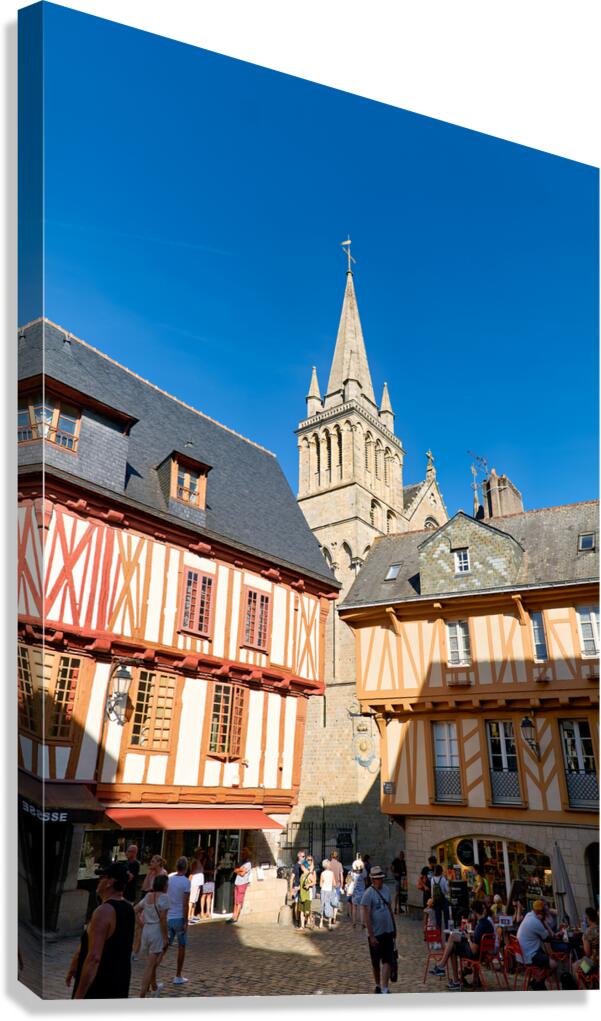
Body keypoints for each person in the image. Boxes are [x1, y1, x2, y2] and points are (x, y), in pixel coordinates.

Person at [69, 862, 135, 999]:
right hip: (118, 984)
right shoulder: (128, 909)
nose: (99, 882)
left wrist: (78, 996)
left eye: (102, 877)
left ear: (110, 882)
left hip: (99, 986)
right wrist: (75, 961)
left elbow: (94, 958)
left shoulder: (104, 911)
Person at [431, 899, 495, 990]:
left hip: (476, 954)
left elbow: (474, 950)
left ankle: (445, 969)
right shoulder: (487, 923)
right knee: (453, 943)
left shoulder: (480, 926)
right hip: (484, 952)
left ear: (474, 911)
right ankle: (448, 973)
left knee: (452, 942)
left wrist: (468, 938)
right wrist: (470, 936)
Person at [361, 865, 395, 995]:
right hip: (376, 933)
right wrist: (372, 935)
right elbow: (367, 917)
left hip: (388, 931)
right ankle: (377, 985)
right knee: (376, 962)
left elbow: (390, 909)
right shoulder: (367, 894)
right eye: (378, 879)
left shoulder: (386, 890)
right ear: (373, 880)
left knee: (388, 959)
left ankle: (385, 988)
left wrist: (394, 927)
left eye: (381, 878)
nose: (381, 881)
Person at [134, 874, 169, 997]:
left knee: (151, 962)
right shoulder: (164, 897)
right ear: (164, 885)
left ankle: (154, 987)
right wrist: (165, 937)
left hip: (146, 930)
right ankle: (143, 993)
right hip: (156, 931)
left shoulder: (148, 896)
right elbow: (163, 919)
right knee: (151, 965)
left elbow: (135, 910)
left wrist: (141, 923)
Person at [515, 899, 559, 986]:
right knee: (554, 965)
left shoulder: (528, 915)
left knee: (546, 957)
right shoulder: (535, 922)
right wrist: (543, 922)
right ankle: (538, 982)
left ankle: (539, 981)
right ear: (540, 912)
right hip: (530, 955)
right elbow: (548, 937)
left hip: (522, 954)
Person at [167, 856, 191, 985]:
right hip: (179, 917)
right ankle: (178, 975)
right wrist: (186, 921)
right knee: (181, 946)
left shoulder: (169, 879)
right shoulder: (186, 882)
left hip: (168, 917)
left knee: (164, 946)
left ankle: (152, 969)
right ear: (186, 868)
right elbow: (185, 903)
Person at [573, 907, 599, 981]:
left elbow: (587, 953)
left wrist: (583, 940)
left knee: (575, 967)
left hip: (594, 964)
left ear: (588, 918)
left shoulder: (587, 933)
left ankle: (583, 988)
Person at [228, 846, 252, 924]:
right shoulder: (241, 862)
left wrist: (237, 870)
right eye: (242, 853)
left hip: (242, 883)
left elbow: (242, 873)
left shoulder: (248, 863)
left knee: (239, 901)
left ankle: (236, 917)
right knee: (235, 901)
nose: (242, 854)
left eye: (244, 853)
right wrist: (238, 870)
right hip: (237, 882)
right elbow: (236, 870)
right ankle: (233, 916)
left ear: (247, 854)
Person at [431, 864, 450, 941]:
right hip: (444, 900)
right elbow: (447, 890)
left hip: (436, 901)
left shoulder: (432, 879)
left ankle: (438, 940)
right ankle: (447, 939)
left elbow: (432, 892)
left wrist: (432, 901)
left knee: (438, 922)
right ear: (441, 871)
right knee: (447, 920)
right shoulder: (443, 879)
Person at [289, 850, 307, 927]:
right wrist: (291, 890)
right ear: (298, 856)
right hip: (297, 887)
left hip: (304, 887)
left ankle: (305, 919)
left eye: (304, 856)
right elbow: (291, 878)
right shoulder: (296, 866)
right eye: (302, 856)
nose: (303, 858)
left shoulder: (306, 865)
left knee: (305, 904)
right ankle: (297, 920)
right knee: (297, 904)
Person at [299, 856, 316, 929]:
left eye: (302, 866)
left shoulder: (309, 875)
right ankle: (302, 926)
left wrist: (309, 885)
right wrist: (297, 888)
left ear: (304, 867)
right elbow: (301, 885)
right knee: (301, 911)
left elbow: (314, 882)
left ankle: (312, 918)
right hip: (302, 895)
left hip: (307, 895)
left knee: (307, 912)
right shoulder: (302, 875)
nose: (301, 868)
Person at [350, 856, 368, 928]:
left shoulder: (352, 873)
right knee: (361, 908)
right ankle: (362, 923)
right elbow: (366, 882)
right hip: (362, 892)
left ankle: (354, 922)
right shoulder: (363, 873)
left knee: (354, 908)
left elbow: (349, 881)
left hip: (354, 892)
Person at [319, 859, 336, 930]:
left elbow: (320, 884)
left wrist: (324, 885)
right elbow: (334, 883)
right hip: (329, 890)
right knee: (329, 906)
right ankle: (329, 923)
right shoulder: (331, 873)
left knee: (322, 905)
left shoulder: (322, 873)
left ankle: (321, 922)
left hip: (323, 891)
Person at [329, 850, 344, 923]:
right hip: (337, 885)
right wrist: (342, 884)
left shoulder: (328, 864)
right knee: (336, 901)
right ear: (337, 857)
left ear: (331, 856)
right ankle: (334, 917)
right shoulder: (339, 864)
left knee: (330, 901)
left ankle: (330, 916)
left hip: (329, 885)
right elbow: (341, 876)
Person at [188, 859, 204, 923]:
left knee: (195, 900)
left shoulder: (199, 861)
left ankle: (192, 914)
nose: (201, 855)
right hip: (194, 883)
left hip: (198, 883)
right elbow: (192, 872)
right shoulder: (195, 861)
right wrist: (189, 881)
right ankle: (188, 916)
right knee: (192, 900)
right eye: (200, 853)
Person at [201, 848, 215, 919]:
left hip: (211, 878)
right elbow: (202, 869)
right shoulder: (206, 859)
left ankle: (208, 911)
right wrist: (209, 872)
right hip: (206, 878)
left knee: (209, 894)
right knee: (204, 894)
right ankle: (202, 911)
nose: (212, 852)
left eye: (212, 851)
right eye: (210, 851)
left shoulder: (212, 859)